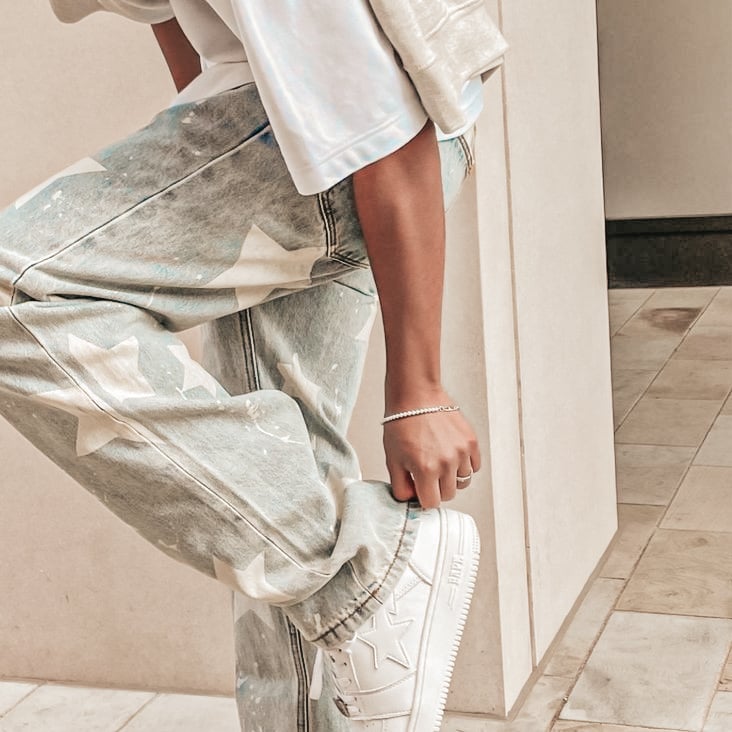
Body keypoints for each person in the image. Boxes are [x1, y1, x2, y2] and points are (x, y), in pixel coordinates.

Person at [1, 1, 506, 729]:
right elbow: (177, 22)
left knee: (15, 288)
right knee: (283, 465)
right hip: (302, 129)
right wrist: (204, 161)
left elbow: (383, 110)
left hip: (355, 144)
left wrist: (419, 390)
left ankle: (369, 577)